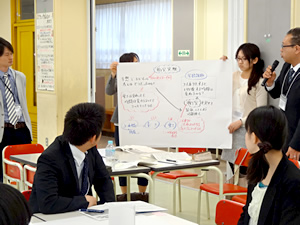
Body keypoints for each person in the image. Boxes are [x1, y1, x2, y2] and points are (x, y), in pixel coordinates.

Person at [29, 103, 115, 214]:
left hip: (81, 215)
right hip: (51, 217)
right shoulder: (50, 159)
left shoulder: (90, 149)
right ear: (94, 138)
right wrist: (83, 201)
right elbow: (48, 203)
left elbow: (103, 179)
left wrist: (110, 207)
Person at [238, 105, 300, 224]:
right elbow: (246, 214)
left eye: (247, 131)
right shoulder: (257, 167)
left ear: (254, 137)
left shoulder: (293, 181)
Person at [221, 43, 267, 175]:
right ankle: (230, 195)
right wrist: (221, 65)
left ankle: (245, 195)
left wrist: (241, 122)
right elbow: (217, 85)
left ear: (255, 60)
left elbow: (261, 110)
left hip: (247, 129)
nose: (240, 62)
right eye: (238, 58)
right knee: (230, 169)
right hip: (231, 127)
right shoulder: (234, 76)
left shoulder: (259, 80)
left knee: (245, 170)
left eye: (243, 59)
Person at [106, 52, 148, 196]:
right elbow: (109, 91)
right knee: (122, 157)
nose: (136, 65)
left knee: (142, 157)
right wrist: (113, 74)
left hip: (142, 122)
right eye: (133, 63)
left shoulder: (144, 76)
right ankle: (124, 193)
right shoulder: (120, 75)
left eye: (137, 62)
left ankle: (142, 193)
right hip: (122, 121)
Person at [263, 27, 300, 161]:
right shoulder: (286, 66)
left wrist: (296, 144)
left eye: (284, 46)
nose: (281, 49)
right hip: (284, 132)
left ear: (297, 48)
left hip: (297, 138)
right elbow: (277, 93)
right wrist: (270, 83)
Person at [0, 37, 32, 182]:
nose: (10, 58)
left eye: (11, 54)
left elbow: (21, 102)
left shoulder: (20, 77)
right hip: (3, 130)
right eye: (6, 55)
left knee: (24, 167)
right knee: (2, 169)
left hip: (21, 128)